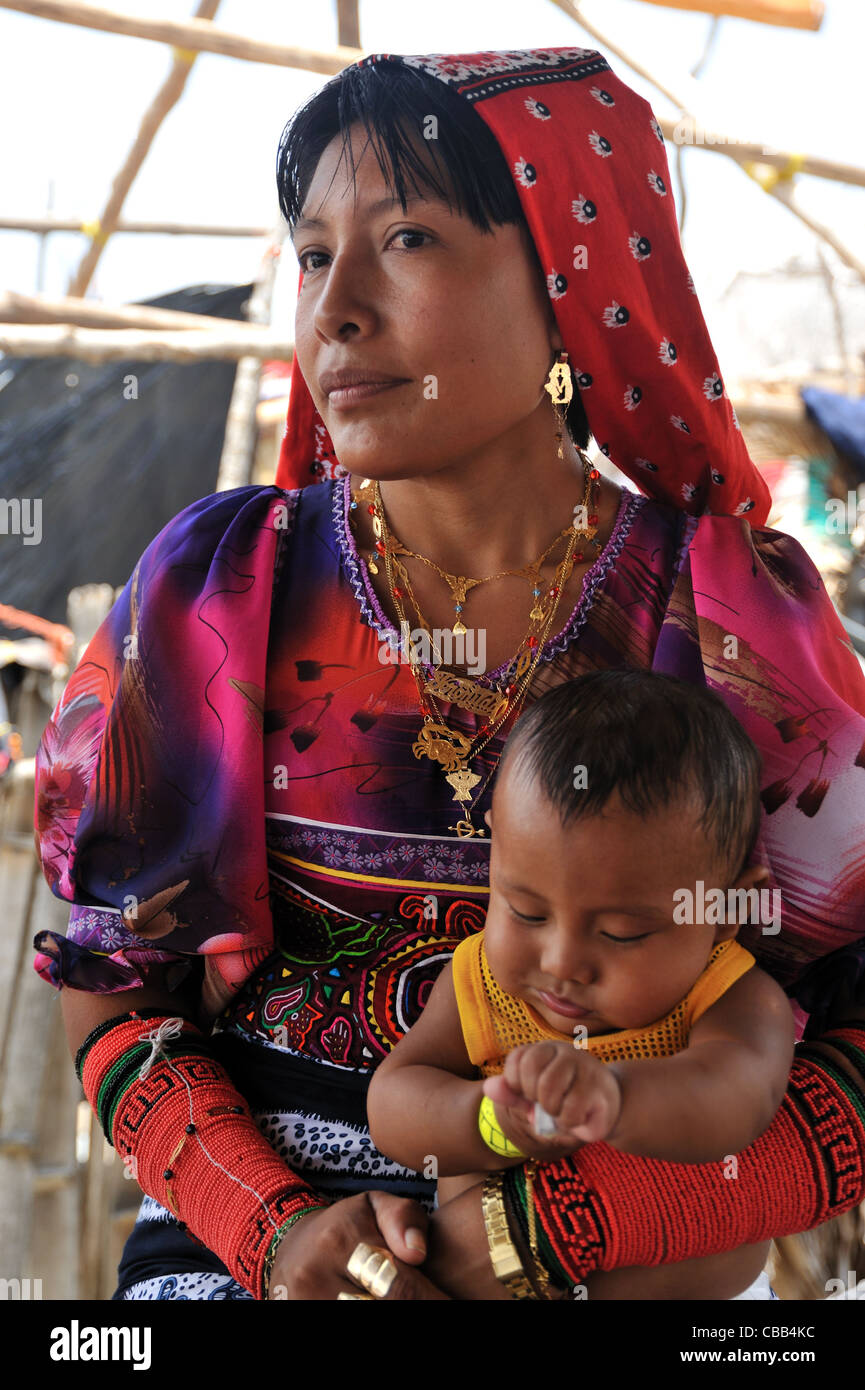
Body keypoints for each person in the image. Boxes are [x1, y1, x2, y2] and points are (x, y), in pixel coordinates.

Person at [32, 47, 865, 1302]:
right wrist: (280, 1238)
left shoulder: (729, 616)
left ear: (570, 285)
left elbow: (850, 1031)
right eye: (313, 255)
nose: (336, 308)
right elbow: (116, 991)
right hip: (277, 1235)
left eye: (406, 238)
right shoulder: (216, 590)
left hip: (639, 1240)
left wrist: (565, 1230)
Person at [368, 670, 796, 1299]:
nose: (562, 960)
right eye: (526, 911)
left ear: (726, 912)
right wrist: (490, 1122)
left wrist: (616, 1100)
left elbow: (738, 1098)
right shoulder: (486, 982)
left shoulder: (729, 996)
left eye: (623, 933)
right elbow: (394, 1104)